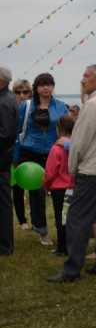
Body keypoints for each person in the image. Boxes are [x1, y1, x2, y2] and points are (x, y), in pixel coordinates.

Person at [45, 64, 96, 283]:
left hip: (92, 169)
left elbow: (78, 142)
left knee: (77, 218)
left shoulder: (92, 105)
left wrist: (73, 168)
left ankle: (72, 269)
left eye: (86, 76)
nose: (82, 79)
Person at [14, 72, 68, 244]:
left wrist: (66, 143)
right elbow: (18, 132)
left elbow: (68, 128)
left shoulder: (61, 106)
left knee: (58, 192)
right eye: (42, 84)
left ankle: (62, 230)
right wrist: (16, 156)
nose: (46, 88)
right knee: (37, 193)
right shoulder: (27, 105)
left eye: (49, 84)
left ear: (53, 86)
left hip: (53, 153)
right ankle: (42, 231)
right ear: (36, 88)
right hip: (30, 152)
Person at [42, 113, 75, 257]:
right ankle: (73, 245)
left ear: (58, 129)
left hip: (59, 189)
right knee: (72, 218)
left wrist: (46, 184)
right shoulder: (76, 146)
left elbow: (50, 171)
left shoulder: (56, 148)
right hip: (74, 188)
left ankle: (62, 248)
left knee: (60, 219)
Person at [0, 65, 19, 257]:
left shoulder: (4, 101)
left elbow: (4, 134)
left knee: (3, 202)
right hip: (4, 155)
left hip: (1, 156)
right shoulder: (8, 97)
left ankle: (5, 245)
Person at [11, 79, 31, 231]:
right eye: (18, 92)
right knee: (16, 187)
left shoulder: (32, 109)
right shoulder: (9, 108)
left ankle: (34, 219)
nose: (22, 95)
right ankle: (22, 220)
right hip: (10, 150)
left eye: (25, 92)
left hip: (28, 150)